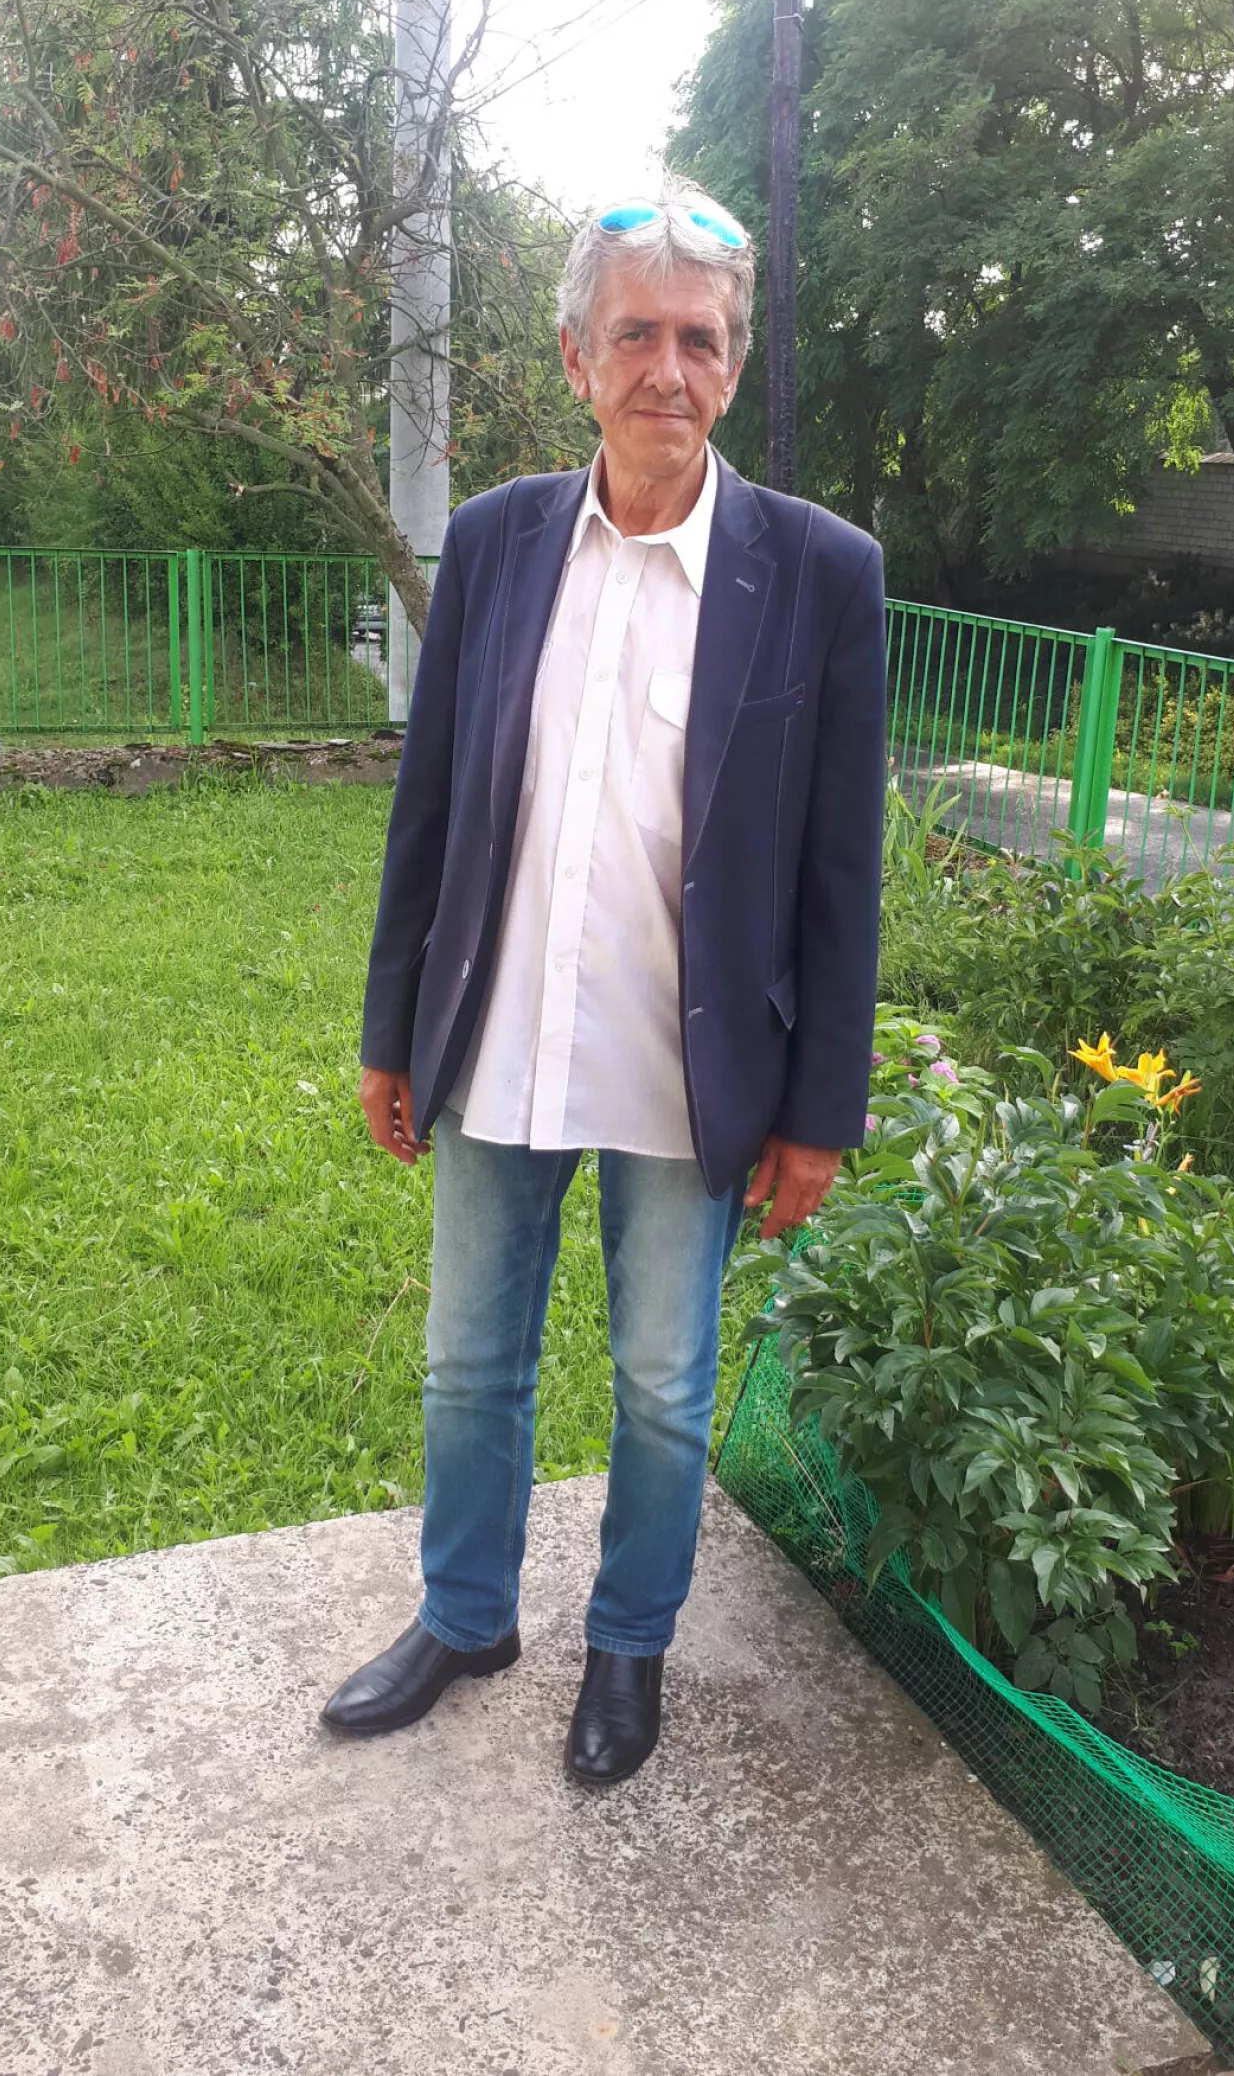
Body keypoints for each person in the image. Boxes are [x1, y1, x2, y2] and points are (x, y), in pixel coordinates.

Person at [320, 180, 887, 1787]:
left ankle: (629, 1646)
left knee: (662, 1384)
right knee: (468, 1362)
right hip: (496, 1035)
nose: (667, 370)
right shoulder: (499, 543)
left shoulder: (821, 573)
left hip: (688, 1068)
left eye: (699, 340)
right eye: (635, 335)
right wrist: (390, 1029)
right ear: (577, 358)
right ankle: (465, 1615)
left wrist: (820, 1115)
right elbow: (430, 805)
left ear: (733, 365)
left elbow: (842, 870)